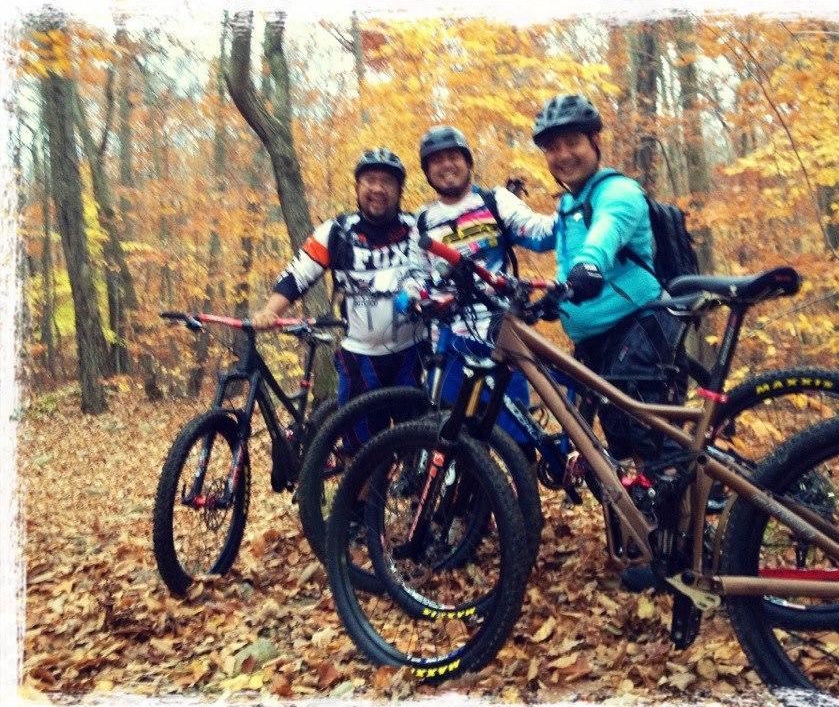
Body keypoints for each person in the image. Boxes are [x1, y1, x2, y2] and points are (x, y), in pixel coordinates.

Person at [531, 94, 689, 592]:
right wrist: (553, 299)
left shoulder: (617, 190)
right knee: (619, 444)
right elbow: (567, 269)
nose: (563, 155)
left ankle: (682, 555)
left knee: (647, 439)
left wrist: (589, 264)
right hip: (599, 338)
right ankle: (662, 545)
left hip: (641, 324)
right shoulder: (566, 207)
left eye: (572, 143)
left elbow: (607, 234)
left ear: (594, 142)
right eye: (553, 148)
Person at [251, 148, 429, 442]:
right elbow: (298, 274)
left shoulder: (417, 229)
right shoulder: (336, 232)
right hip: (361, 359)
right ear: (358, 187)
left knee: (419, 448)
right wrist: (271, 310)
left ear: (399, 190)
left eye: (387, 181)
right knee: (360, 453)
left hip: (412, 355)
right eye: (370, 180)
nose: (378, 188)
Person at [413, 126, 556, 455]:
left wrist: (570, 211)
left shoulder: (494, 201)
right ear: (427, 171)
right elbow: (413, 273)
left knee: (518, 443)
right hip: (449, 342)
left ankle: (523, 506)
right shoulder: (421, 221)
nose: (446, 165)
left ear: (467, 162)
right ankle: (468, 508)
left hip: (501, 337)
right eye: (436, 161)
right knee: (454, 440)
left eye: (453, 157)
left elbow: (538, 232)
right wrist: (414, 298)